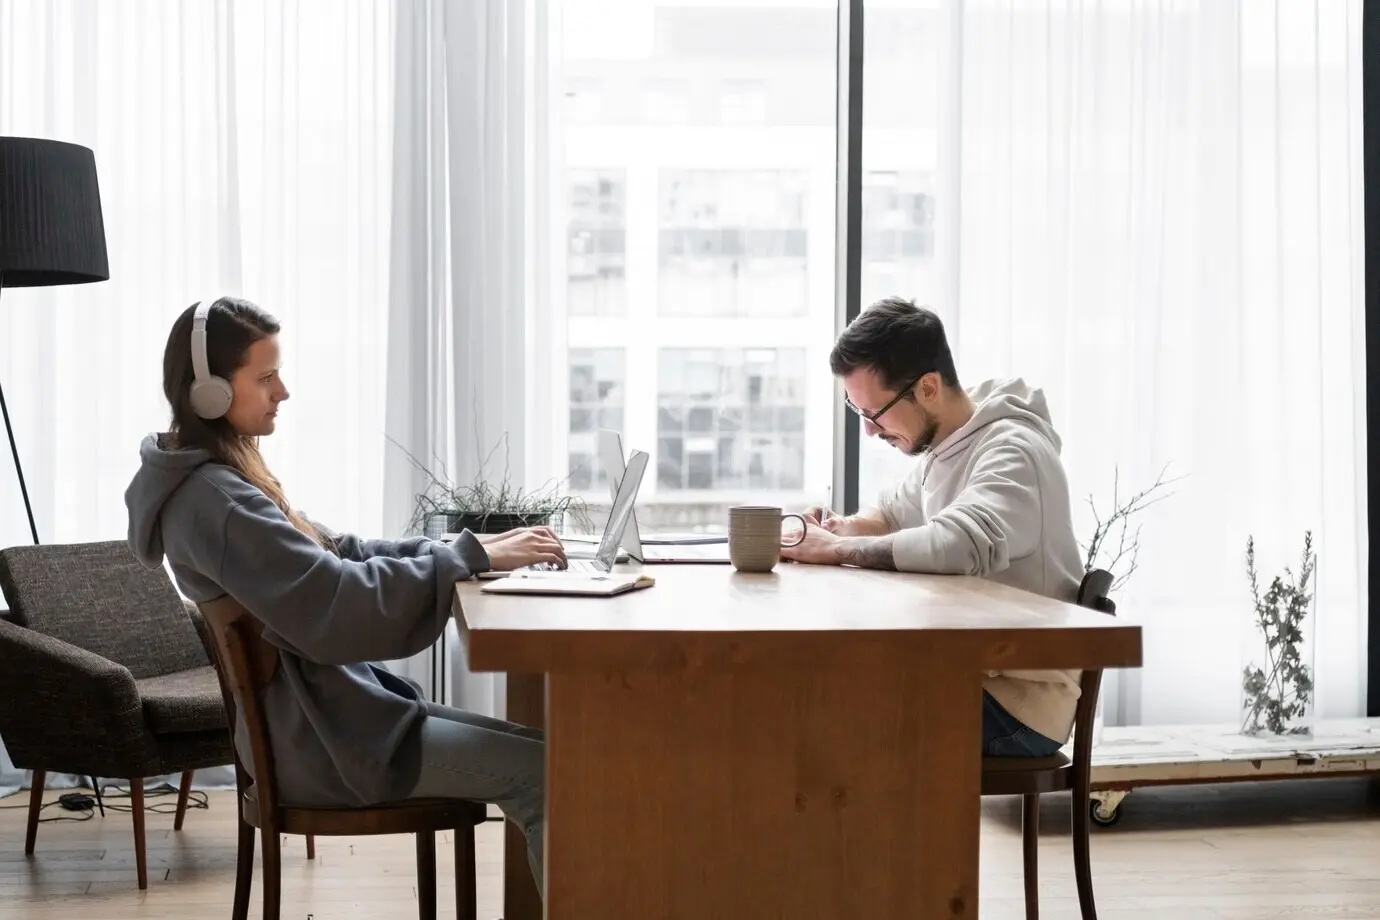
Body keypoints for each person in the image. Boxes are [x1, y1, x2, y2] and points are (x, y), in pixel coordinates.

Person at [124, 296, 560, 889]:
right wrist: (467, 558)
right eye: (267, 376)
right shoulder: (219, 503)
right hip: (323, 747)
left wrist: (472, 547)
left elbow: (339, 551)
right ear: (211, 392)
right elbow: (336, 601)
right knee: (549, 773)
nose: (283, 391)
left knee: (550, 755)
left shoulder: (220, 480)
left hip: (332, 727)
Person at [782, 296, 1085, 758]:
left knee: (827, 715)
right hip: (972, 674)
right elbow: (889, 515)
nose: (868, 431)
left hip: (1018, 702)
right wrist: (839, 529)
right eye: (856, 411)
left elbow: (958, 543)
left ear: (926, 388)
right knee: (817, 694)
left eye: (873, 413)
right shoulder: (949, 445)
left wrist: (835, 551)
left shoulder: (1012, 451)